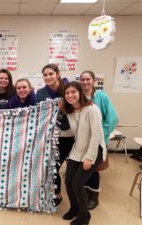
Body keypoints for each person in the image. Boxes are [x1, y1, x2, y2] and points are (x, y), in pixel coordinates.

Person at [62, 81, 106, 225]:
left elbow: (97, 135)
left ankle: (84, 216)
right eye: (67, 93)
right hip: (77, 150)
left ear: (80, 92)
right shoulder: (71, 111)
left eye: (73, 92)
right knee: (68, 181)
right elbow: (74, 131)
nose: (70, 95)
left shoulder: (92, 109)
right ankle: (74, 209)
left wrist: (89, 157)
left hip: (93, 151)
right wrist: (56, 133)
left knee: (77, 184)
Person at [36, 63, 74, 206]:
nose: (48, 77)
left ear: (57, 74)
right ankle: (51, 192)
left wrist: (63, 109)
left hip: (67, 136)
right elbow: (38, 114)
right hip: (48, 136)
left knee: (55, 166)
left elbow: (75, 110)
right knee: (48, 166)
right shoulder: (40, 93)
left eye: (51, 74)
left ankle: (57, 194)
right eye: (45, 75)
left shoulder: (68, 89)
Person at [79, 70, 118, 210]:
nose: (85, 82)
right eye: (82, 79)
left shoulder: (101, 96)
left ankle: (94, 198)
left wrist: (102, 134)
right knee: (83, 167)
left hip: (97, 140)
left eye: (88, 79)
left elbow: (113, 118)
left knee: (93, 169)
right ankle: (85, 193)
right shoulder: (79, 96)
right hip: (82, 141)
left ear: (93, 80)